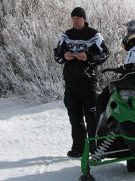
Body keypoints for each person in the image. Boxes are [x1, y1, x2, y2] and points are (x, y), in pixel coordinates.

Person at [53, 7, 109, 158]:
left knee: (92, 117)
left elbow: (104, 54)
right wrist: (64, 55)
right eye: (73, 18)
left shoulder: (94, 35)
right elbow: (56, 55)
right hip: (71, 82)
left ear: (84, 19)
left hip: (88, 81)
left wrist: (88, 57)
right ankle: (78, 148)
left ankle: (95, 149)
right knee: (74, 116)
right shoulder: (67, 35)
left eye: (78, 18)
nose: (75, 21)